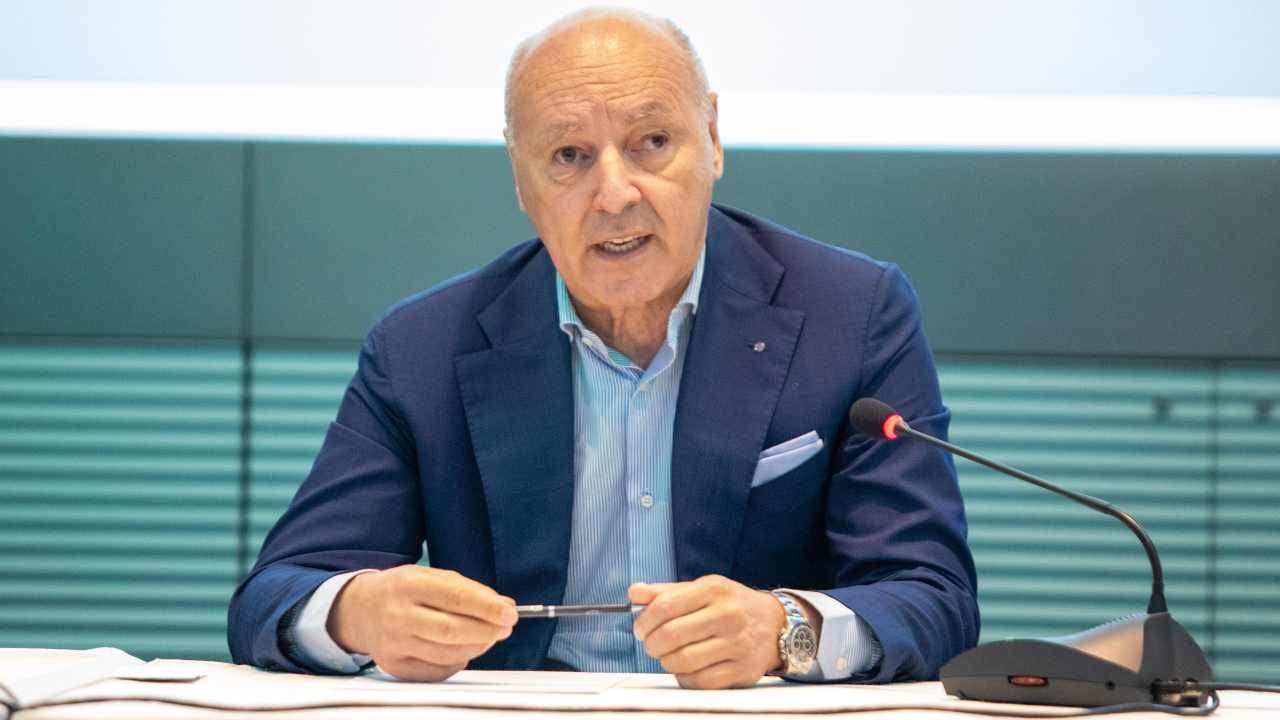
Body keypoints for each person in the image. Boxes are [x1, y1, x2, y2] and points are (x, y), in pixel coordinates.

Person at [227, 7, 978, 690]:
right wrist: (359, 611)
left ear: (713, 139)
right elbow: (273, 596)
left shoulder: (853, 314)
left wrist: (783, 630)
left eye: (653, 142)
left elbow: (933, 596)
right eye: (569, 155)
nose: (615, 194)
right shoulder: (421, 348)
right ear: (520, 176)